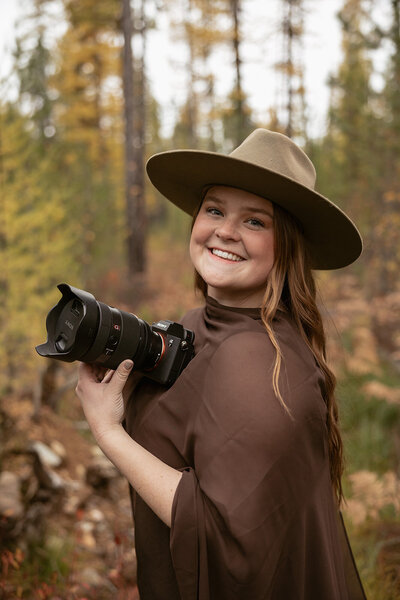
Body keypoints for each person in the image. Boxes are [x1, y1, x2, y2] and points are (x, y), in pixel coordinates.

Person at [76, 129, 367, 599]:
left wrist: (108, 432)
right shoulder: (196, 329)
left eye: (255, 221)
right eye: (214, 210)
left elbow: (226, 537)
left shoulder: (260, 362)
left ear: (287, 247)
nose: (225, 231)